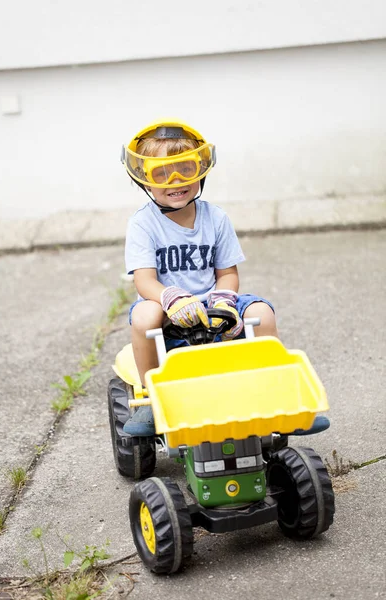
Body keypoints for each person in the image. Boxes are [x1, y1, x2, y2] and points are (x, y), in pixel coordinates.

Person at [121, 119, 328, 437]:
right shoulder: (143, 224)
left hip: (214, 301)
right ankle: (153, 398)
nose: (175, 181)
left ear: (200, 169)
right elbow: (144, 281)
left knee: (261, 312)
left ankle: (277, 393)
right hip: (165, 304)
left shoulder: (215, 218)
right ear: (143, 179)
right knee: (145, 316)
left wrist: (224, 298)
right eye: (161, 172)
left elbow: (228, 273)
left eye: (185, 169)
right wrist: (171, 297)